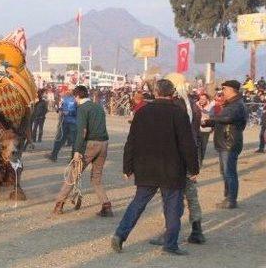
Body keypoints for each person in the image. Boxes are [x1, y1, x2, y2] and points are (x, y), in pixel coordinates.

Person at [112, 79, 198, 256]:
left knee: (138, 203)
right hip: (172, 169)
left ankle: (120, 235)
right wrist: (193, 168)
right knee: (172, 207)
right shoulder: (179, 113)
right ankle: (170, 245)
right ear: (172, 93)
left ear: (156, 92)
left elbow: (131, 142)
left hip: (146, 168)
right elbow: (187, 144)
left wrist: (127, 167)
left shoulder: (142, 112)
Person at [52, 85, 111, 216]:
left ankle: (59, 205)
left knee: (72, 175)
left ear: (77, 96)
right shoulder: (98, 106)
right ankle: (106, 206)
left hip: (91, 144)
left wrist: (77, 151)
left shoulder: (82, 108)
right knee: (96, 178)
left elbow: (82, 131)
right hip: (104, 144)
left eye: (75, 97)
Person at [202, 80, 248, 209]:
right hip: (226, 142)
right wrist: (208, 123)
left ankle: (231, 200)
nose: (223, 91)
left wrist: (210, 119)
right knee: (226, 172)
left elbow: (228, 118)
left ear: (232, 89)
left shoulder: (237, 105)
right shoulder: (231, 104)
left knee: (229, 172)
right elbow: (223, 120)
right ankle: (228, 197)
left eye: (225, 89)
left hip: (230, 143)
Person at [49, 89, 77, 162]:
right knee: (60, 139)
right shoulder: (64, 99)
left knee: (74, 141)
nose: (67, 92)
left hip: (73, 123)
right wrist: (59, 109)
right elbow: (59, 109)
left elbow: (79, 112)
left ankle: (73, 158)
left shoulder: (76, 100)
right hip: (65, 122)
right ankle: (53, 155)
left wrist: (68, 113)